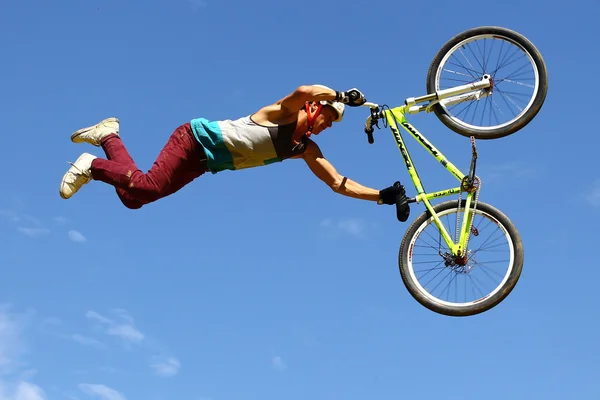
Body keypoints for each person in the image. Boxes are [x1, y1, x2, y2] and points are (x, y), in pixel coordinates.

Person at [59, 84, 409, 216]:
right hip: (193, 139)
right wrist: (338, 96)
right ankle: (90, 164)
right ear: (317, 109)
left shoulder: (304, 147)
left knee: (134, 198)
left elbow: (338, 183)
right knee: (146, 186)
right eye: (328, 119)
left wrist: (381, 196)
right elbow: (303, 90)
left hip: (204, 162)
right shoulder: (283, 114)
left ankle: (109, 136)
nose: (327, 126)